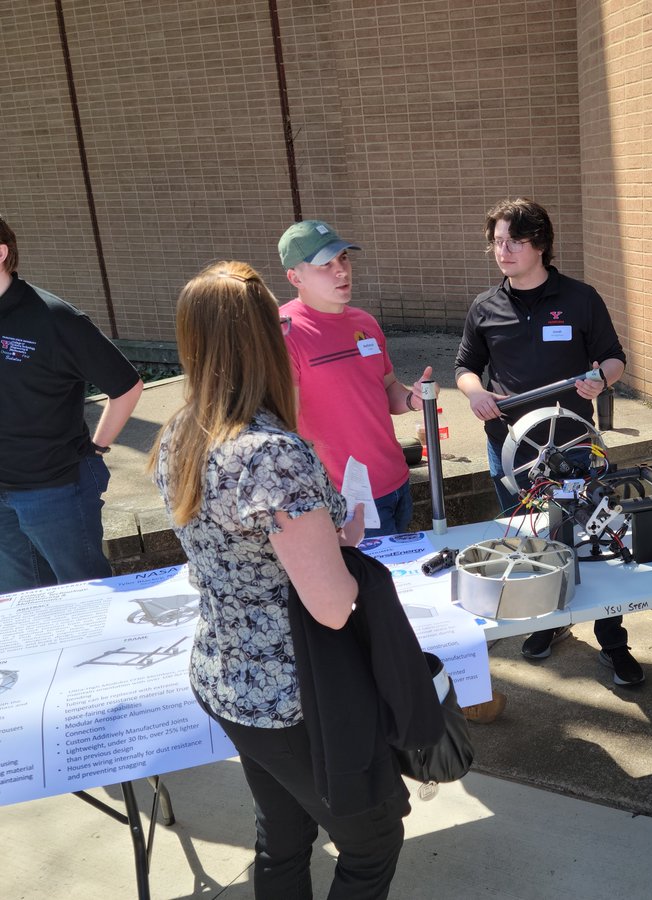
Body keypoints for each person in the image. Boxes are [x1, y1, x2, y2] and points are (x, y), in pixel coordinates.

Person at [152, 261, 413, 899]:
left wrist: (324, 536)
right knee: (372, 839)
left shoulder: (179, 433)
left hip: (225, 674)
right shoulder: (271, 451)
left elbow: (239, 544)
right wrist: (339, 548)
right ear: (267, 340)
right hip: (295, 691)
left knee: (283, 837)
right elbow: (330, 605)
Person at [455, 198, 644, 687]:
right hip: (512, 451)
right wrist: (475, 393)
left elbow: (613, 357)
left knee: (595, 538)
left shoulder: (580, 298)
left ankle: (613, 640)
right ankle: (549, 625)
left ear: (540, 243)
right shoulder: (484, 306)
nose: (502, 251)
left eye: (513, 241)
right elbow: (465, 367)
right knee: (531, 543)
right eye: (496, 241)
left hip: (572, 448)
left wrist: (601, 379)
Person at [0, 216, 143, 594]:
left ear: (1, 254)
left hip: (55, 489)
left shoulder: (55, 318)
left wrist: (96, 448)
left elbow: (127, 386)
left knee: (86, 598)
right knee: (22, 605)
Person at [278, 220, 432, 538]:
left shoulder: (366, 322)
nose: (341, 271)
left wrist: (411, 399)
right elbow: (284, 429)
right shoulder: (284, 334)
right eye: (325, 264)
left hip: (398, 482)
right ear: (295, 277)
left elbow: (387, 388)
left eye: (343, 258)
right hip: (345, 501)